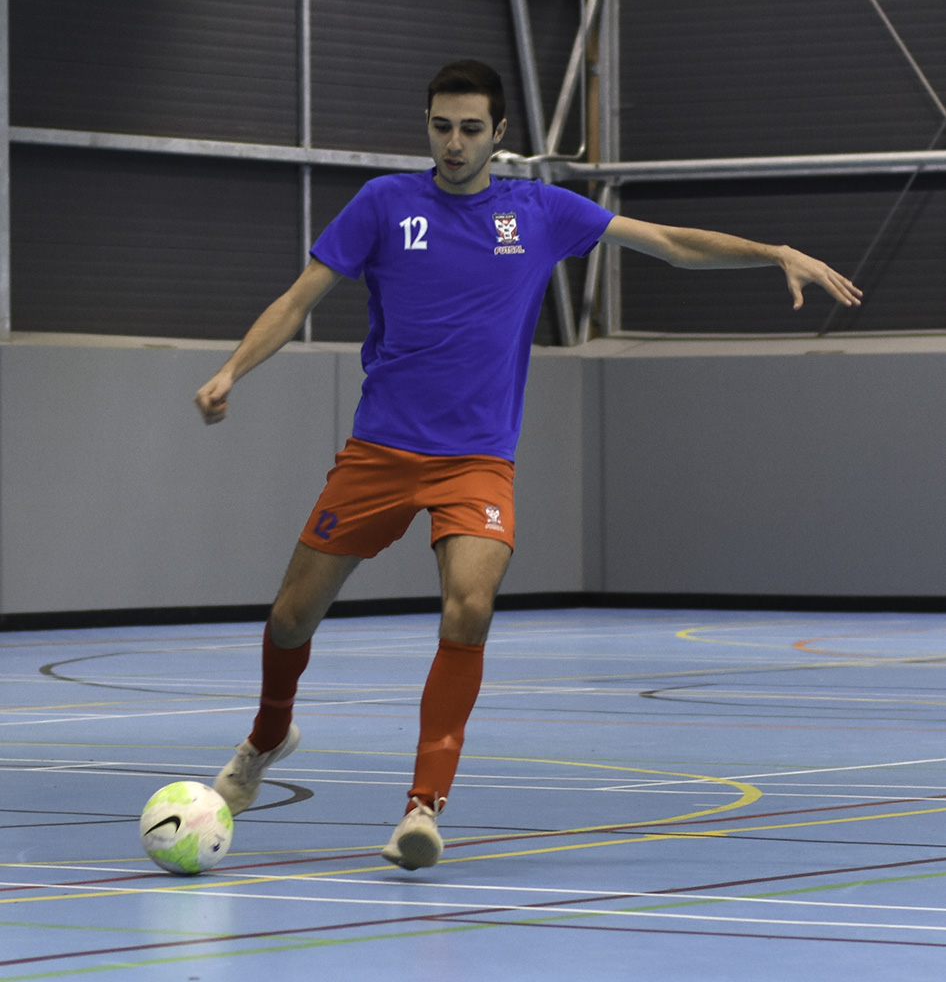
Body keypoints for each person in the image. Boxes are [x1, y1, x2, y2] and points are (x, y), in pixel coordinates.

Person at [194, 60, 862, 871]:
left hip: (476, 460)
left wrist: (771, 251)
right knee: (290, 619)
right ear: (427, 125)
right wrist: (232, 370)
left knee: (468, 607)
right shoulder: (383, 204)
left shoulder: (541, 211)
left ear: (500, 134)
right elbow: (300, 296)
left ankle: (422, 807)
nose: (454, 143)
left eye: (471, 129)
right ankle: (269, 733)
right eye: (441, 126)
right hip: (380, 451)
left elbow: (668, 244)